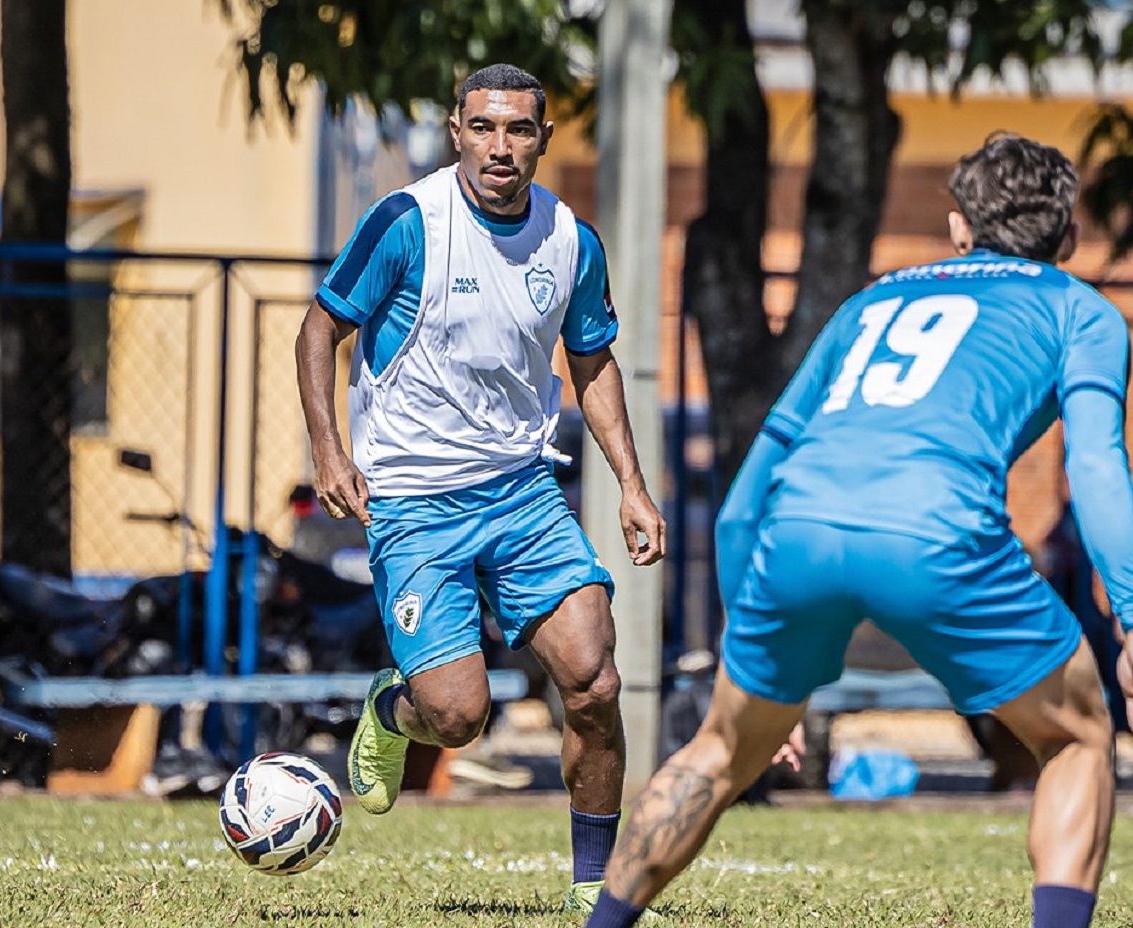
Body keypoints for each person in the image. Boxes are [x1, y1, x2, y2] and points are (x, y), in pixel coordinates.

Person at [583, 133, 1133, 928]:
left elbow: (746, 498)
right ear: (1069, 237)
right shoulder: (1081, 310)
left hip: (797, 532)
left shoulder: (872, 302)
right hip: (936, 534)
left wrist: (752, 647)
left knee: (720, 749)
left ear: (957, 229)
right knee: (1079, 735)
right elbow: (1102, 471)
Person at [295, 63, 666, 916]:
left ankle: (591, 889)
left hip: (523, 492)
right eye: (484, 127)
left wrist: (632, 486)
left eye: (520, 129)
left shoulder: (571, 239)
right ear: (457, 132)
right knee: (458, 717)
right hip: (416, 503)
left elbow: (593, 359)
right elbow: (322, 326)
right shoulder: (407, 223)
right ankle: (394, 710)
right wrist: (329, 446)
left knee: (594, 680)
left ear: (542, 137)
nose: (501, 146)